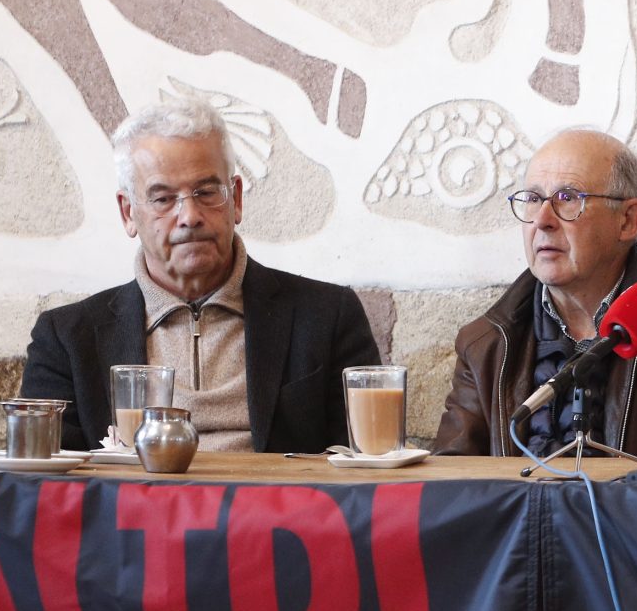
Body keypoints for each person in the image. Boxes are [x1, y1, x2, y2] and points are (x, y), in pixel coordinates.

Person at [20, 98, 379, 453]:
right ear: (128, 213)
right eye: (163, 199)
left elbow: (365, 465)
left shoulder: (328, 318)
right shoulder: (67, 340)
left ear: (236, 199)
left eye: (206, 193)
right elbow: (42, 480)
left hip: (274, 494)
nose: (190, 216)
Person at [432, 129, 637, 457]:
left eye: (568, 198)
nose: (542, 221)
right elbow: (453, 476)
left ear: (628, 220)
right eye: (533, 199)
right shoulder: (486, 343)